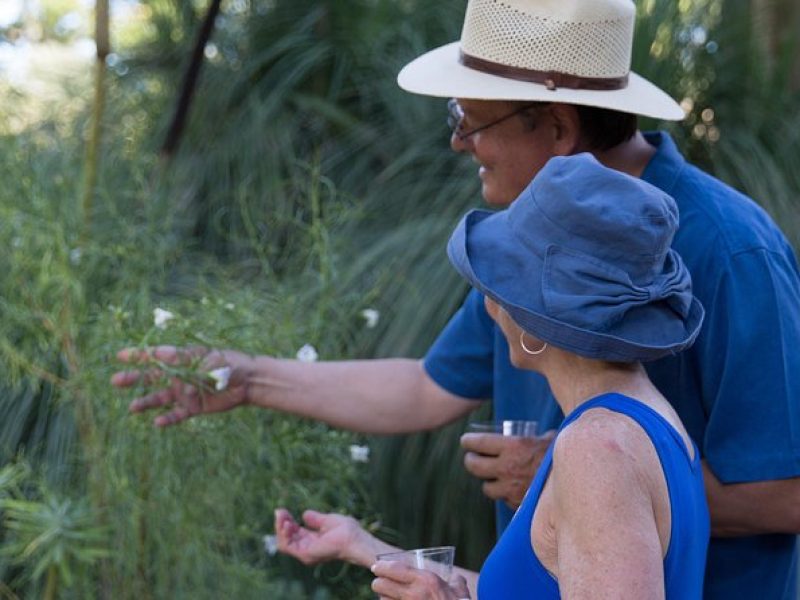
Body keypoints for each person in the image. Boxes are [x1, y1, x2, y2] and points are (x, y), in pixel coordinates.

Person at [111, 0, 800, 597]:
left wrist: (570, 477)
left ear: (558, 128)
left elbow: (785, 490)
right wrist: (248, 377)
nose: (458, 141)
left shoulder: (732, 253)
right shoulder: (541, 246)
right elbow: (424, 387)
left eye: (472, 121)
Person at [276, 154, 711, 599]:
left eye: (498, 286)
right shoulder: (650, 420)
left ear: (535, 327)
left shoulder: (596, 450)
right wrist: (363, 546)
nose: (487, 304)